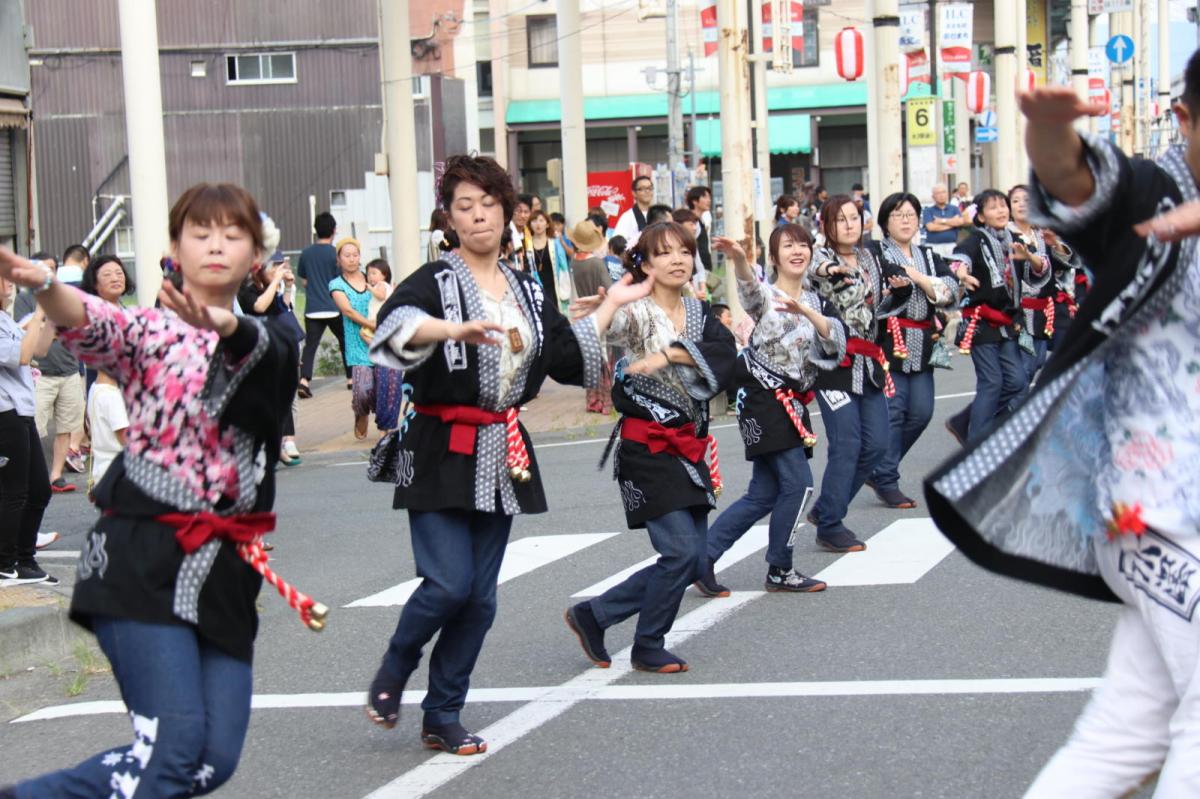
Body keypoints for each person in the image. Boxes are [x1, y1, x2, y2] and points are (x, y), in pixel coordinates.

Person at [926, 56, 1200, 798]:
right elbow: (1078, 181)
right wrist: (1049, 132)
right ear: (1186, 119)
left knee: (1124, 736)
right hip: (1160, 508)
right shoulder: (1158, 191)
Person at [0, 182, 299, 796]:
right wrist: (44, 283)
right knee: (169, 753)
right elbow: (89, 317)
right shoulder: (146, 333)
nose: (216, 245)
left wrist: (221, 322)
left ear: (253, 255)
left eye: (232, 234)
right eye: (201, 232)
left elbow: (263, 370)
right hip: (141, 559)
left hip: (225, 571)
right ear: (174, 247)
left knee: (212, 760)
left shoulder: (269, 339)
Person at [362, 154, 640, 754]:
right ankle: (397, 662)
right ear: (450, 218)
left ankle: (443, 714)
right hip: (439, 444)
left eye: (488, 203)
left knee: (481, 598)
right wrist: (449, 330)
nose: (478, 215)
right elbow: (391, 333)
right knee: (446, 583)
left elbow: (568, 360)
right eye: (465, 206)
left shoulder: (528, 289)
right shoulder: (433, 282)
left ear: (509, 211)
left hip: (502, 448)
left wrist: (613, 306)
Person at [564, 220, 735, 674]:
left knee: (695, 558)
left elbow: (726, 356)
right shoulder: (635, 311)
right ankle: (647, 644)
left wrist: (669, 355)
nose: (677, 259)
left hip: (690, 447)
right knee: (680, 552)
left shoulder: (701, 311)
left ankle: (595, 615)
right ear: (645, 262)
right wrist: (604, 307)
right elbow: (604, 326)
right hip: (647, 447)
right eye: (664, 252)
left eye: (684, 250)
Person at [694, 225, 844, 596]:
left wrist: (805, 310)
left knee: (763, 494)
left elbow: (836, 341)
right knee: (800, 484)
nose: (798, 251)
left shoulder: (817, 299)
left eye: (803, 245)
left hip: (792, 401)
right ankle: (780, 567)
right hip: (762, 398)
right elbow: (747, 286)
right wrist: (741, 258)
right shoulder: (766, 295)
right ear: (774, 257)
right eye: (788, 246)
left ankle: (702, 558)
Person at [807, 195, 907, 552]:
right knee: (847, 442)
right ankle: (831, 524)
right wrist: (829, 270)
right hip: (833, 364)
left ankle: (826, 508)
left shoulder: (872, 257)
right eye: (840, 220)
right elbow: (812, 270)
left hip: (869, 363)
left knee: (878, 444)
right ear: (827, 226)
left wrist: (902, 289)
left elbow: (884, 303)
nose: (849, 225)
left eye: (854, 218)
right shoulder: (819, 255)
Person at [864, 193, 961, 509]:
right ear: (885, 223)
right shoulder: (874, 253)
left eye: (910, 214)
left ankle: (879, 468)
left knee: (921, 412)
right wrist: (926, 286)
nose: (905, 220)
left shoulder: (929, 256)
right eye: (897, 215)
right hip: (888, 340)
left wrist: (917, 276)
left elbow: (949, 292)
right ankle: (887, 478)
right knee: (893, 411)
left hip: (923, 341)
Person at [943, 191, 1029, 445]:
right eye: (993, 208)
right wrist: (962, 273)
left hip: (1007, 320)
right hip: (980, 321)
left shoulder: (1014, 239)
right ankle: (977, 442)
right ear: (981, 216)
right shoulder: (975, 239)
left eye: (1003, 206)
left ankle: (965, 421)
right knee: (992, 382)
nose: (1001, 211)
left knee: (1016, 380)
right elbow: (960, 259)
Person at [0, 270, 58, 586]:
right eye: (2, 277)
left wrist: (47, 315)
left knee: (38, 490)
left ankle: (24, 560)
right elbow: (22, 355)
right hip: (4, 414)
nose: (9, 282)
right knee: (14, 493)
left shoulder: (7, 321)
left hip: (21, 412)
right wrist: (38, 311)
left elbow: (40, 350)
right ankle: (4, 563)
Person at [14, 254, 86, 493]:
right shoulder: (25, 299)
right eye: (44, 269)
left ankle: (55, 476)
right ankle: (32, 476)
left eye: (53, 269)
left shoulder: (65, 295)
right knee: (34, 426)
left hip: (69, 369)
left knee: (66, 427)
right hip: (40, 373)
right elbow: (23, 329)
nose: (49, 273)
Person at [236, 226, 304, 465]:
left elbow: (283, 310)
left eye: (278, 266)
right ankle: (267, 446)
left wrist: (285, 286)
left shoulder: (267, 286)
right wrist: (276, 282)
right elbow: (259, 307)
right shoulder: (245, 288)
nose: (278, 270)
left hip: (274, 348)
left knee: (282, 395)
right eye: (273, 266)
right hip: (254, 350)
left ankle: (282, 442)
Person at [297, 211, 349, 397]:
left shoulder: (306, 253)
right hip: (334, 307)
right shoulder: (336, 254)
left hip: (313, 309)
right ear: (334, 231)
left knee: (311, 346)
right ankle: (351, 378)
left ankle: (304, 381)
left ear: (316, 230)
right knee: (345, 340)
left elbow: (304, 281)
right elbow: (342, 279)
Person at [328, 237, 375, 439]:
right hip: (356, 343)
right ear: (339, 259)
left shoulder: (371, 279)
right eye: (347, 255)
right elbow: (347, 311)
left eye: (355, 255)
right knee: (362, 391)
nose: (352, 259)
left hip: (378, 341)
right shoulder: (336, 284)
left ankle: (384, 428)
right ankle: (361, 412)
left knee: (383, 389)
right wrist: (370, 324)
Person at [1008, 184, 1055, 384]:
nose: (1021, 205)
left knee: (1038, 361)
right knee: (1025, 368)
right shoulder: (1007, 235)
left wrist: (1058, 245)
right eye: (1015, 201)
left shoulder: (1041, 234)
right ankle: (1013, 409)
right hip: (1020, 310)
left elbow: (1061, 263)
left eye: (1026, 200)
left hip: (1043, 310)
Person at [568, 220, 616, 415]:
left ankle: (592, 400)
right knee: (605, 356)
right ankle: (606, 401)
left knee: (591, 358)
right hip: (600, 312)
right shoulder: (597, 263)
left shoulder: (574, 262)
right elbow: (609, 290)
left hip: (582, 314)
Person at [364, 258, 405, 434]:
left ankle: (385, 425)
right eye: (369, 273)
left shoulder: (382, 286)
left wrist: (370, 288)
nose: (371, 277)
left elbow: (380, 295)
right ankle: (386, 424)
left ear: (384, 274)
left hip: (381, 329)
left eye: (374, 273)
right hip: (381, 331)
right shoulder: (389, 290)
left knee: (387, 383)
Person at [523, 209, 569, 311]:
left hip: (554, 290)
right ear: (530, 224)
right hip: (536, 292)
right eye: (534, 221)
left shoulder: (555, 244)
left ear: (547, 224)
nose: (538, 224)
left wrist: (564, 293)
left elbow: (563, 268)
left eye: (541, 220)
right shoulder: (526, 246)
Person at [921, 182, 968, 256]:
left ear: (947, 194)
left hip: (952, 245)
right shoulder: (928, 211)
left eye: (943, 192)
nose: (941, 195)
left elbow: (961, 221)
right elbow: (931, 227)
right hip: (933, 246)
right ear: (933, 196)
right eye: (938, 193)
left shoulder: (954, 209)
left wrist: (941, 221)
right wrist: (952, 224)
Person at [671, 208, 708, 299]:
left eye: (695, 224)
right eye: (691, 224)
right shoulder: (673, 246)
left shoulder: (692, 243)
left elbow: (700, 268)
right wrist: (695, 292)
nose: (695, 228)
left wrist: (702, 288)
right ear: (680, 225)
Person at [613, 175, 655, 247]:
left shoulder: (658, 213)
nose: (647, 191)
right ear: (634, 193)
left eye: (649, 188)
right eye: (642, 189)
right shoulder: (627, 217)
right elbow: (617, 243)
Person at [686, 185, 713, 278]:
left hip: (702, 270)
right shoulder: (691, 222)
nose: (709, 200)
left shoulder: (700, 220)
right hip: (696, 273)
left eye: (709, 197)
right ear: (694, 201)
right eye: (705, 197)